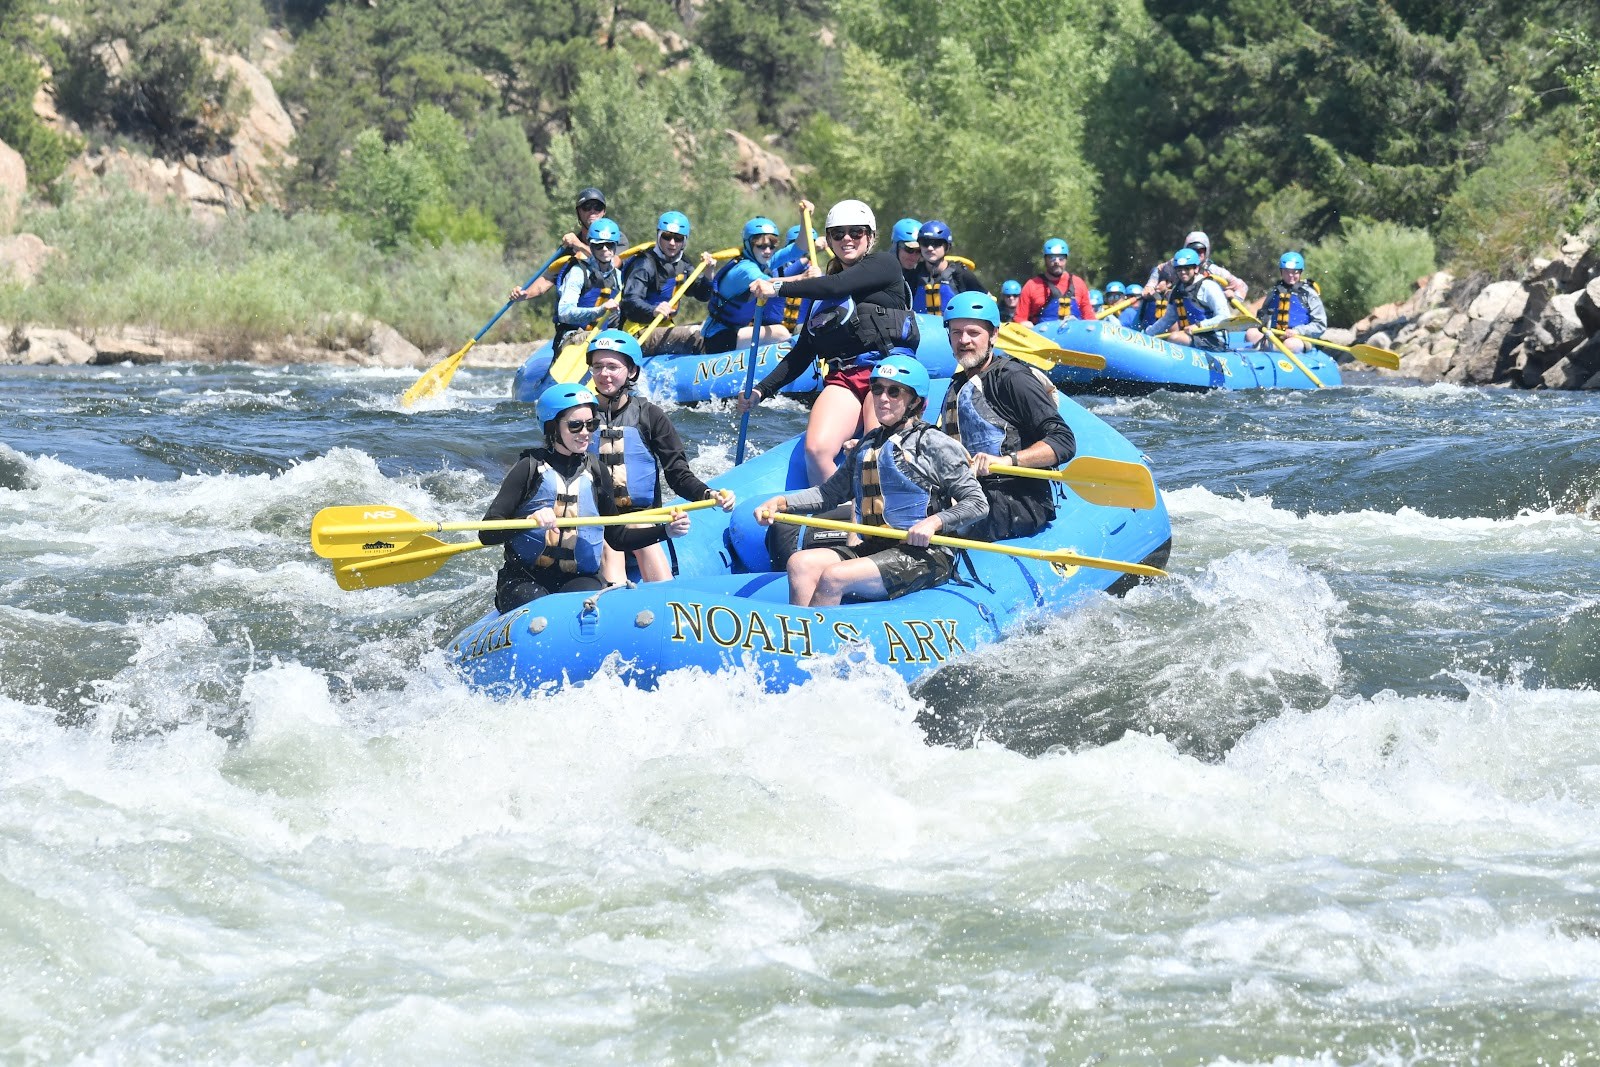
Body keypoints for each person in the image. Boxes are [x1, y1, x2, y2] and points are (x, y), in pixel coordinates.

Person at [754, 354, 988, 607]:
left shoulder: (935, 444)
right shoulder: (867, 444)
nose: (883, 398)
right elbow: (827, 495)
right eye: (877, 390)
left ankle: (817, 639)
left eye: (894, 392)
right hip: (876, 546)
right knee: (800, 564)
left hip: (925, 555)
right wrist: (781, 502)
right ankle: (800, 636)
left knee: (834, 576)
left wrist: (934, 522)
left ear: (916, 402)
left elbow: (977, 503)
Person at [741, 198, 921, 484]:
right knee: (817, 450)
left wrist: (776, 286)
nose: (847, 239)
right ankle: (836, 515)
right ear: (830, 240)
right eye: (838, 234)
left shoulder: (884, 264)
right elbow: (803, 352)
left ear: (870, 237)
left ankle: (879, 513)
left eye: (856, 232)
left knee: (878, 452)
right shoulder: (823, 293)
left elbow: (837, 285)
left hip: (887, 371)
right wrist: (760, 391)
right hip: (846, 377)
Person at [478, 383, 691, 612]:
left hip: (577, 578)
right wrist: (528, 521)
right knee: (537, 606)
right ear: (552, 427)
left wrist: (666, 531)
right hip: (525, 577)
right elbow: (487, 533)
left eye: (591, 424)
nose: (585, 433)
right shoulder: (527, 468)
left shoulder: (597, 472)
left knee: (592, 607)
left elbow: (617, 537)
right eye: (575, 425)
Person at [584, 329, 736, 583]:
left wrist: (707, 494)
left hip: (642, 520)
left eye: (613, 366)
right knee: (608, 540)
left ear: (631, 372)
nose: (604, 374)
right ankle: (614, 599)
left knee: (638, 525)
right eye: (597, 367)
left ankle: (665, 597)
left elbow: (677, 473)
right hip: (596, 520)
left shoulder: (650, 415)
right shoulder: (580, 416)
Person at [936, 292, 1077, 541]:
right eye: (956, 332)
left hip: (1016, 500)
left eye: (973, 332)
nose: (964, 340)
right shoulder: (958, 384)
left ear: (994, 335)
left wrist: (1007, 461)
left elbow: (1063, 440)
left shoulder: (1013, 379)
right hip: (971, 496)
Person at [620, 210, 715, 356]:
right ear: (659, 236)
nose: (672, 243)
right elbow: (629, 301)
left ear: (684, 241)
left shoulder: (683, 264)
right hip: (638, 332)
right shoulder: (644, 264)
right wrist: (653, 310)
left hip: (663, 326)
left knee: (709, 329)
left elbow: (702, 295)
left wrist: (709, 274)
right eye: (667, 237)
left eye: (678, 239)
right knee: (697, 337)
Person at [510, 187, 622, 303]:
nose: (592, 211)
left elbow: (614, 262)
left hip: (608, 312)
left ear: (603, 212)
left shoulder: (616, 238)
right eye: (587, 207)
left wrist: (578, 245)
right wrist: (525, 293)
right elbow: (547, 280)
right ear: (579, 212)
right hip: (577, 312)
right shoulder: (569, 247)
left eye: (597, 207)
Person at [701, 217, 791, 354]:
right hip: (717, 337)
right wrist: (804, 278)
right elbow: (770, 284)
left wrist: (803, 216)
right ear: (749, 245)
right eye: (761, 246)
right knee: (781, 333)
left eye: (771, 246)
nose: (767, 251)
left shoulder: (762, 263)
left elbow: (798, 248)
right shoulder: (746, 269)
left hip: (732, 331)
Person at [548, 217, 623, 354]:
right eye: (599, 245)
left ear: (615, 246)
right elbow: (564, 313)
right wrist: (599, 310)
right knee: (601, 341)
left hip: (603, 336)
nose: (605, 249)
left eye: (609, 245)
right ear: (590, 246)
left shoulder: (617, 276)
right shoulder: (578, 272)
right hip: (574, 336)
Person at [1144, 247, 1230, 349]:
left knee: (1175, 337)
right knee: (1172, 338)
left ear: (1196, 269)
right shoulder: (1177, 291)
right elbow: (1167, 320)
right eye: (1179, 269)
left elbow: (1225, 317)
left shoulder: (1209, 287)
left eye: (1187, 268)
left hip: (1214, 341)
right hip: (1191, 338)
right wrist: (1147, 334)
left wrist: (1199, 326)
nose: (1183, 272)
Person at [1244, 251, 1328, 353]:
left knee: (1290, 344)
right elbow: (1262, 316)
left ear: (1301, 272)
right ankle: (1271, 353)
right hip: (1274, 335)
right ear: (1281, 272)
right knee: (1251, 333)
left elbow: (1320, 324)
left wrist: (1297, 331)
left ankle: (1274, 352)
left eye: (1295, 272)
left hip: (1299, 338)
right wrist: (1264, 326)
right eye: (1286, 271)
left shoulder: (1309, 294)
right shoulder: (1274, 292)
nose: (1290, 275)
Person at [1145, 230, 1247, 303]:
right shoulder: (1176, 263)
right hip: (1177, 312)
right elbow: (1158, 270)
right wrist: (1150, 286)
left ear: (1206, 251)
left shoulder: (1216, 272)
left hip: (1205, 318)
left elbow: (1242, 287)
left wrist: (1234, 297)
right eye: (1193, 250)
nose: (1197, 254)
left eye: (1201, 250)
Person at [910, 220, 985, 314]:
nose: (930, 248)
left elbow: (987, 303)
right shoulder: (912, 275)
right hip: (920, 328)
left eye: (936, 243)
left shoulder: (962, 275)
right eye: (925, 243)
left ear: (947, 246)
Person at [1015, 238, 1094, 324]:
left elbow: (1089, 317)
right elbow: (1019, 319)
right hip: (1041, 335)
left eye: (1061, 258)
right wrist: (1025, 324)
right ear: (1045, 259)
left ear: (1066, 259)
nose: (1057, 262)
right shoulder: (1031, 285)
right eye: (1052, 258)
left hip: (1074, 334)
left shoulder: (1079, 283)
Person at [770, 222, 819, 334]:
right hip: (772, 327)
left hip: (800, 330)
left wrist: (819, 279)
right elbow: (782, 278)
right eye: (801, 248)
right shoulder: (776, 268)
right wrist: (807, 257)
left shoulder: (814, 270)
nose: (803, 252)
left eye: (808, 248)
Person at [892, 217, 923, 291]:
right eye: (909, 249)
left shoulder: (923, 275)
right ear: (896, 246)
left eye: (919, 251)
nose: (914, 255)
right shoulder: (881, 273)